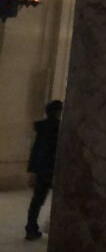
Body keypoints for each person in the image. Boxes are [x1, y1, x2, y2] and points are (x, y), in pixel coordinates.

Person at [25, 100, 62, 240]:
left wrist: (32, 170)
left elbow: (35, 150)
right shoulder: (59, 128)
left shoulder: (41, 128)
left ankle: (31, 228)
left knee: (37, 200)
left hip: (42, 169)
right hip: (55, 169)